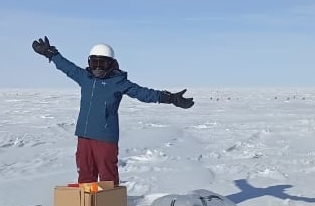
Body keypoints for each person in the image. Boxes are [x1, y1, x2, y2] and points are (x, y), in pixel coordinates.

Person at [32, 36, 194, 184]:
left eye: (102, 63)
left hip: (105, 139)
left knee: (108, 179)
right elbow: (67, 67)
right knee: (85, 177)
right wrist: (50, 53)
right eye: (94, 63)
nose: (97, 67)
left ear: (111, 63)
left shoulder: (118, 82)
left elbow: (143, 93)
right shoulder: (85, 78)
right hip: (84, 137)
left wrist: (170, 98)